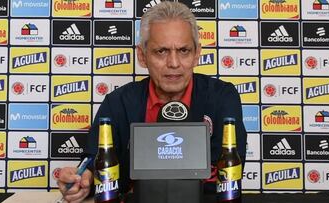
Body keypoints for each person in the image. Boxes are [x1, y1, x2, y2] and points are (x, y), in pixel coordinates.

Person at [56, 1, 247, 202]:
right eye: (161, 51)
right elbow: (94, 164)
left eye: (183, 51)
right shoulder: (117, 103)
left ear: (197, 54)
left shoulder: (222, 97)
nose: (173, 63)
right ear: (142, 55)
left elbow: (228, 174)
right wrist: (83, 180)